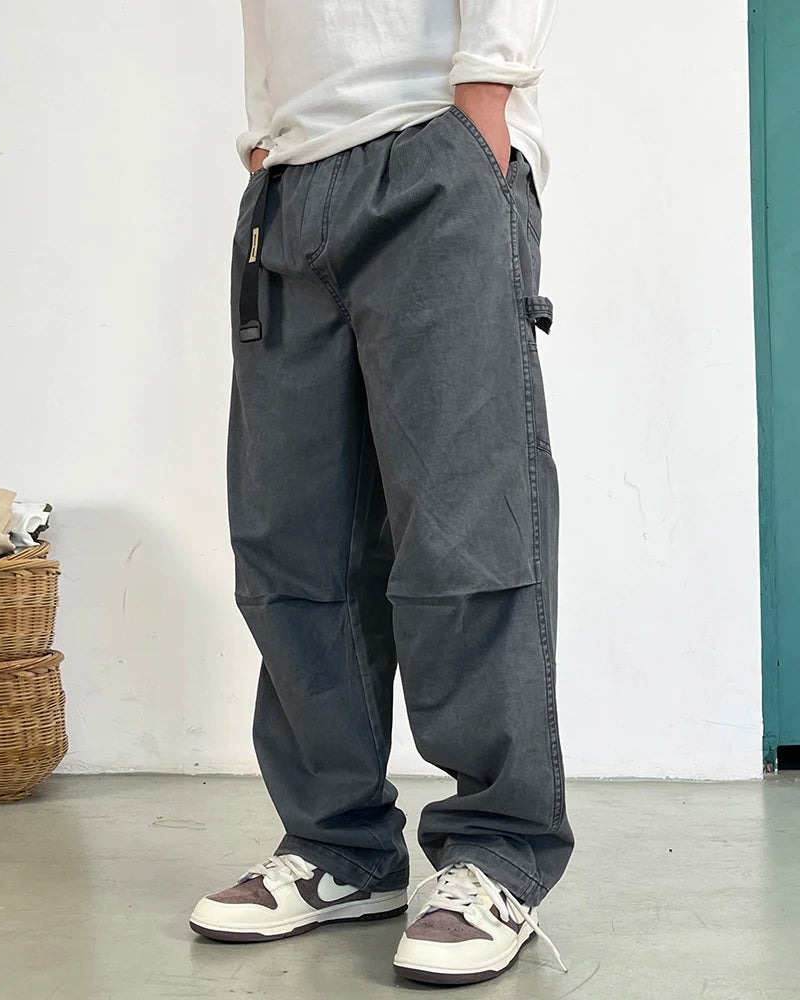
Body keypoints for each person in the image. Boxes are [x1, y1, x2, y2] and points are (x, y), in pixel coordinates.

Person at [190, 0, 573, 986]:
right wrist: (267, 135)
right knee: (291, 536)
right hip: (290, 181)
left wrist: (483, 101)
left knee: (464, 526)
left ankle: (498, 850)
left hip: (432, 142)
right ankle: (339, 847)